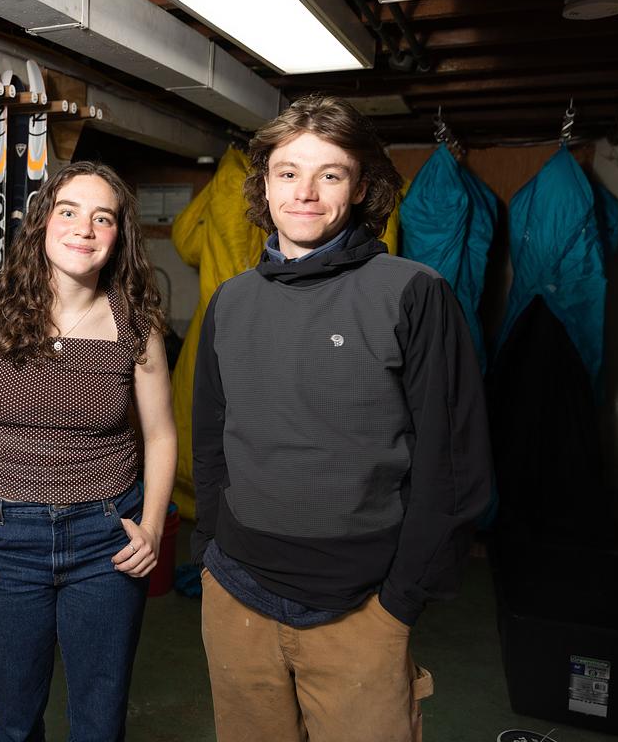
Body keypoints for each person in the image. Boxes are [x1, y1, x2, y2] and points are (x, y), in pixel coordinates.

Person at [192, 94, 492, 742]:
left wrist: (398, 604)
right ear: (265, 185)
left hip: (360, 610)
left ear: (359, 188)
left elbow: (454, 465)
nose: (305, 192)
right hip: (236, 598)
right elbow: (211, 439)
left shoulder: (413, 294)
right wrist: (211, 552)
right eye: (287, 172)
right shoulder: (230, 303)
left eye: (330, 174)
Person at [0, 160, 177, 742]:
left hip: (107, 540)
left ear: (118, 237)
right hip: (6, 538)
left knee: (99, 721)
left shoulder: (136, 322)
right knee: (14, 722)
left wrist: (155, 527)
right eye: (69, 212)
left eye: (102, 218)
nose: (83, 229)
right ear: (42, 223)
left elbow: (161, 434)